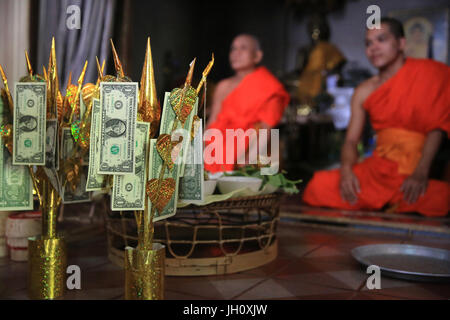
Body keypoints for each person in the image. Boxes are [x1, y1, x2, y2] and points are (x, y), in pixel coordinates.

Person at [302, 17, 449, 217]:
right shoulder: (365, 90)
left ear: (401, 43)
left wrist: (421, 172)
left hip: (415, 169)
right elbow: (352, 140)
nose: (374, 48)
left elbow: (437, 127)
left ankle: (389, 202)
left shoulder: (430, 74)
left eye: (381, 39)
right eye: (369, 43)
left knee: (442, 198)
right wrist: (346, 171)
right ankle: (389, 203)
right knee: (317, 187)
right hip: (378, 171)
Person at [205, 34, 290, 173]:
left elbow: (266, 129)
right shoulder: (223, 86)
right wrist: (200, 151)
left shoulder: (269, 86)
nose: (235, 53)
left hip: (251, 149)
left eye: (243, 48)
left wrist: (247, 161)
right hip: (217, 147)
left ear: (257, 56)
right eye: (233, 49)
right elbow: (213, 121)